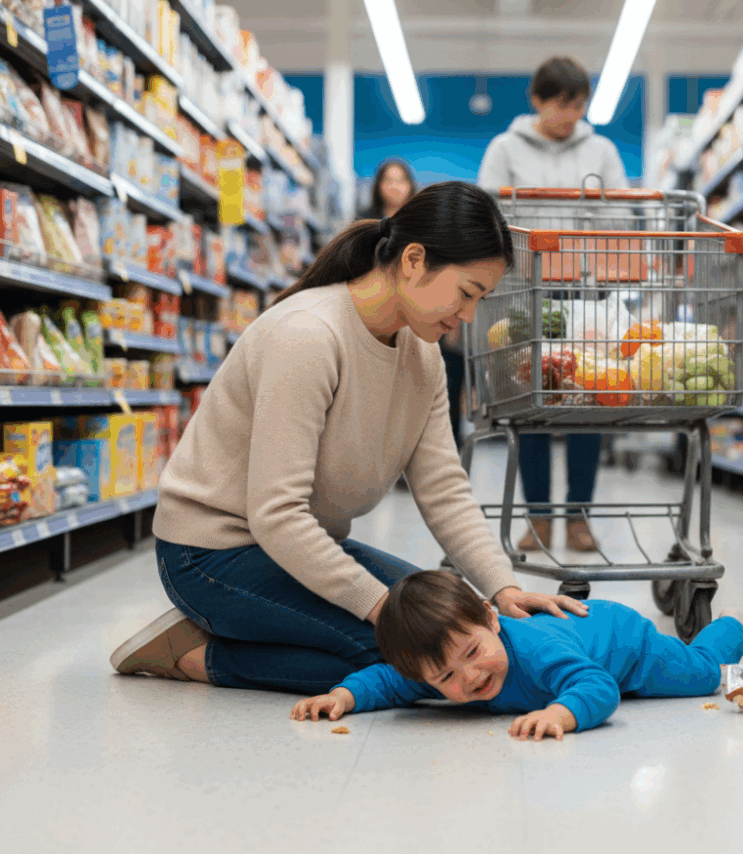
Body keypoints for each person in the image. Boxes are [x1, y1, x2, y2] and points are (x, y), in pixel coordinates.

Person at [109, 182, 588, 694]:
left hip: (294, 547)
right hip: (209, 555)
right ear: (413, 260)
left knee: (454, 622)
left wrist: (501, 585)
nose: (469, 316)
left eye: (481, 299)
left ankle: (261, 627)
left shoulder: (421, 356)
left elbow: (444, 487)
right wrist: (384, 610)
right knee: (414, 657)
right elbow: (277, 513)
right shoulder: (308, 337)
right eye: (467, 292)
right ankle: (195, 655)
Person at [290, 571, 743, 739]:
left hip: (622, 643)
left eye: (473, 651)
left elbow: (598, 686)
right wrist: (343, 697)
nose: (470, 677)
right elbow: (388, 680)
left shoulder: (536, 650)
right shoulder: (438, 666)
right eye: (445, 677)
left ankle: (731, 626)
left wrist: (561, 714)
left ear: (491, 618)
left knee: (698, 674)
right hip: (588, 647)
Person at [477, 56, 630, 552]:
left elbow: (622, 218)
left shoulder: (602, 150)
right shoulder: (505, 148)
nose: (572, 114)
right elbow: (487, 214)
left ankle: (579, 517)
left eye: (580, 104)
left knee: (590, 401)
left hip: (587, 293)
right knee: (532, 405)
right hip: (526, 293)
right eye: (564, 103)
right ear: (539, 100)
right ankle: (539, 517)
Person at [358, 159, 464, 453]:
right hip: (376, 319)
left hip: (420, 318)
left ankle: (421, 457)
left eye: (401, 180)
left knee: (419, 389)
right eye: (388, 180)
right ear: (378, 186)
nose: (394, 186)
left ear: (410, 186)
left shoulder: (426, 226)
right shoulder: (364, 225)